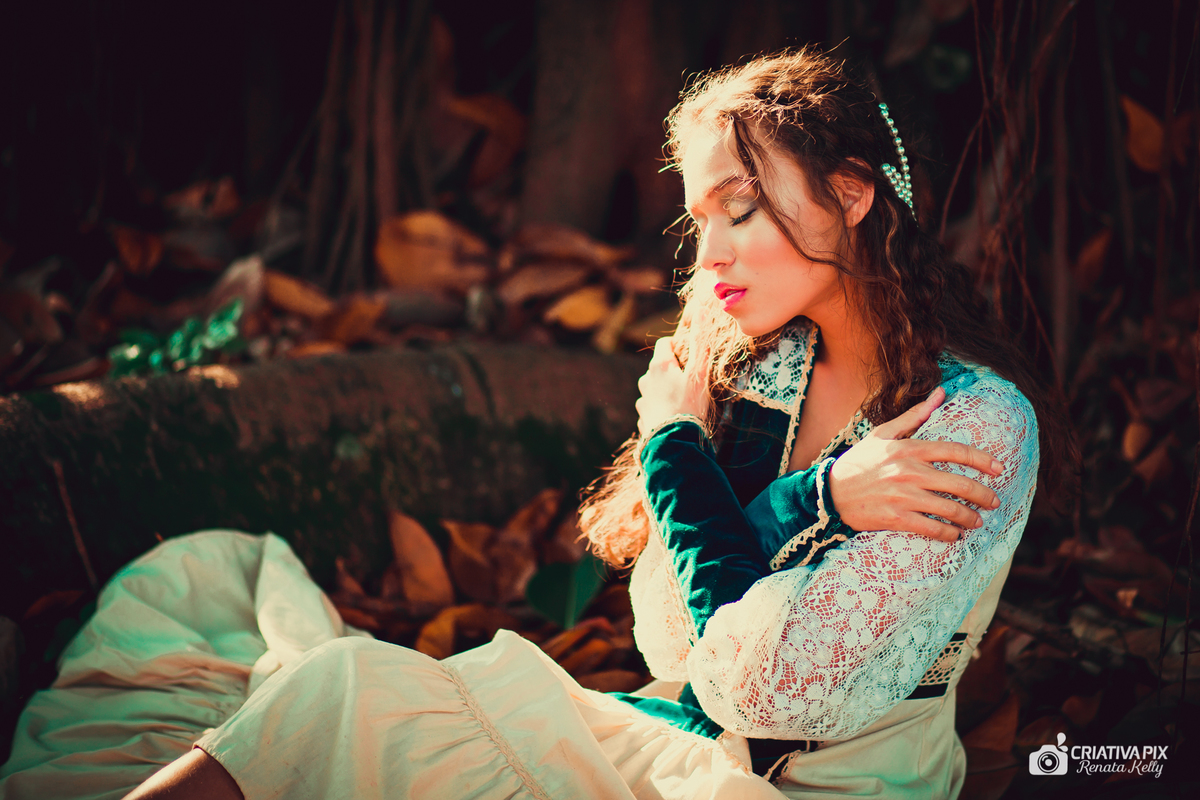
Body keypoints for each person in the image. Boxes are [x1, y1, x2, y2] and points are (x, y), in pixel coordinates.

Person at [0, 48, 1070, 800]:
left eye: (742, 208)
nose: (711, 257)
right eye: (700, 220)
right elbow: (670, 637)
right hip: (679, 747)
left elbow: (761, 687)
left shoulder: (975, 425)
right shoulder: (768, 371)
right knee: (337, 691)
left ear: (852, 194)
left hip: (820, 788)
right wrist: (800, 492)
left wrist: (712, 472)